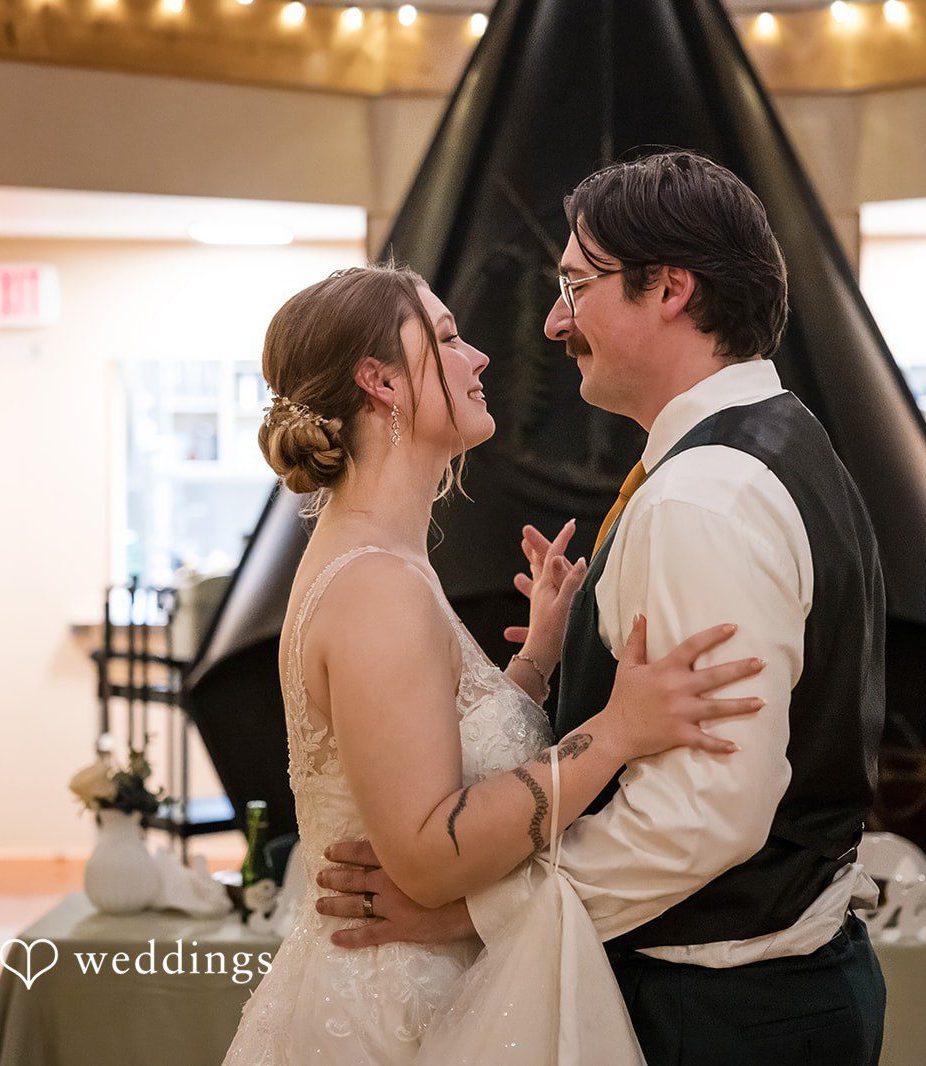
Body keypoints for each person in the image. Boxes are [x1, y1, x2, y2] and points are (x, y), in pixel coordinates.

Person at [318, 151, 889, 1065]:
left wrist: (471, 911)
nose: (552, 323)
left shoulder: (701, 495)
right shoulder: (777, 440)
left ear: (668, 287)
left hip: (723, 1012)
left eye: (576, 285)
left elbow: (705, 815)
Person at [219, 262, 765, 1065]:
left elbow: (428, 761)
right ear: (380, 382)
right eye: (444, 338)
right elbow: (432, 853)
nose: (478, 357)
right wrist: (614, 734)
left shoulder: (380, 558)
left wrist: (536, 662)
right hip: (396, 1011)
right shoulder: (377, 585)